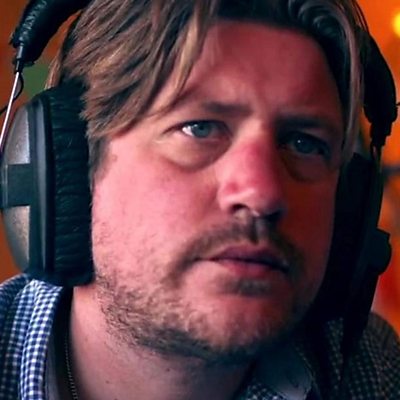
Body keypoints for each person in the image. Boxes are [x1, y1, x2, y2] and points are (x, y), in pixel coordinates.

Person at [0, 0, 399, 399]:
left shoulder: (376, 370)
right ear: (68, 170)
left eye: (304, 144)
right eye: (200, 128)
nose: (262, 194)